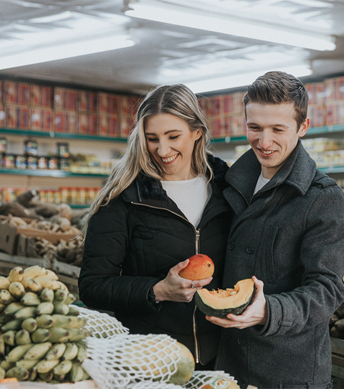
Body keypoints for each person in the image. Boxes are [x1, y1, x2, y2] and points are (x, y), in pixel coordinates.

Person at [206, 71, 344, 388]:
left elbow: (327, 290)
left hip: (288, 372)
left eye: (277, 129)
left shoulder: (323, 198)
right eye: (254, 128)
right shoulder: (230, 183)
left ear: (303, 127)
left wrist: (269, 311)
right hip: (229, 361)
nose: (264, 141)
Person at [79, 84, 232, 369]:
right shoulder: (124, 196)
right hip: (150, 360)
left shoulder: (229, 188)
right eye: (152, 138)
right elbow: (92, 286)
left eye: (173, 136)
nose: (162, 150)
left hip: (221, 358)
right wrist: (158, 290)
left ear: (197, 132)